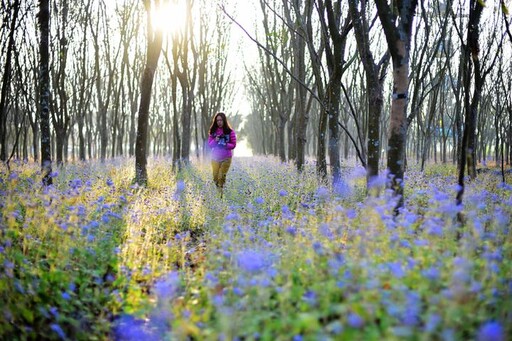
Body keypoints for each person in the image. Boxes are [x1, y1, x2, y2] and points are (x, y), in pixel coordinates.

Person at [208, 112, 236, 197]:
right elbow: (210, 145)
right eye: (217, 120)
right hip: (215, 158)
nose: (219, 122)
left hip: (226, 158)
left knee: (221, 177)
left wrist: (225, 144)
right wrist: (215, 140)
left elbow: (233, 144)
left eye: (221, 120)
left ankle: (221, 195)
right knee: (215, 177)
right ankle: (219, 192)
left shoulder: (230, 132)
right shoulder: (213, 132)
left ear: (224, 120)